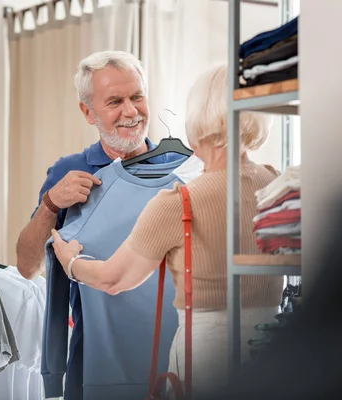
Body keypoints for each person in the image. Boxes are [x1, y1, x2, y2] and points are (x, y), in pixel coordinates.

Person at [51, 63, 284, 397]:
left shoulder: (179, 202)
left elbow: (113, 280)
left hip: (206, 361)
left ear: (198, 119)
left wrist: (70, 262)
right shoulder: (276, 185)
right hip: (272, 354)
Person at [15, 50, 183, 399]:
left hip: (176, 361)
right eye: (114, 101)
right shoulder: (69, 173)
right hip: (95, 364)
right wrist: (50, 204)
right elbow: (27, 267)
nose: (131, 111)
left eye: (137, 96)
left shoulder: (180, 178)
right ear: (87, 112)